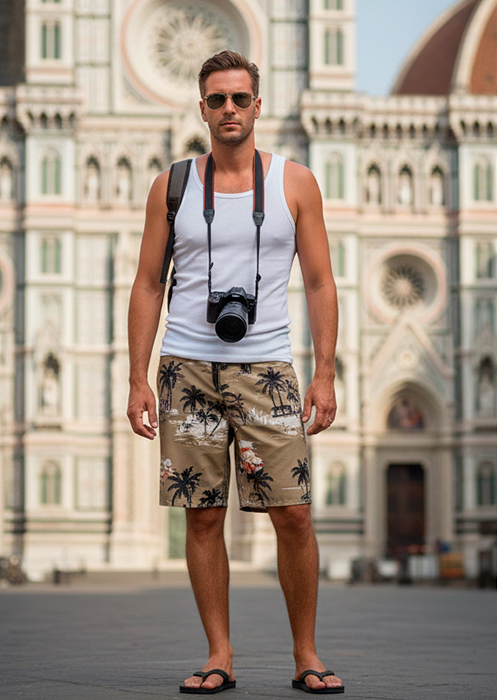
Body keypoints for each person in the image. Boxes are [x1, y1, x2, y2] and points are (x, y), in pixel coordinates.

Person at [127, 50, 343, 695]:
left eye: (239, 98)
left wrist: (325, 372)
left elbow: (321, 281)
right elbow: (145, 284)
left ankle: (307, 655)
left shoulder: (295, 183)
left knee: (294, 514)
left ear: (258, 105)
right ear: (202, 108)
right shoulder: (173, 186)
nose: (228, 110)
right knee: (201, 515)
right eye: (216, 99)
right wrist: (138, 377)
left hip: (268, 369)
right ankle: (218, 654)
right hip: (186, 369)